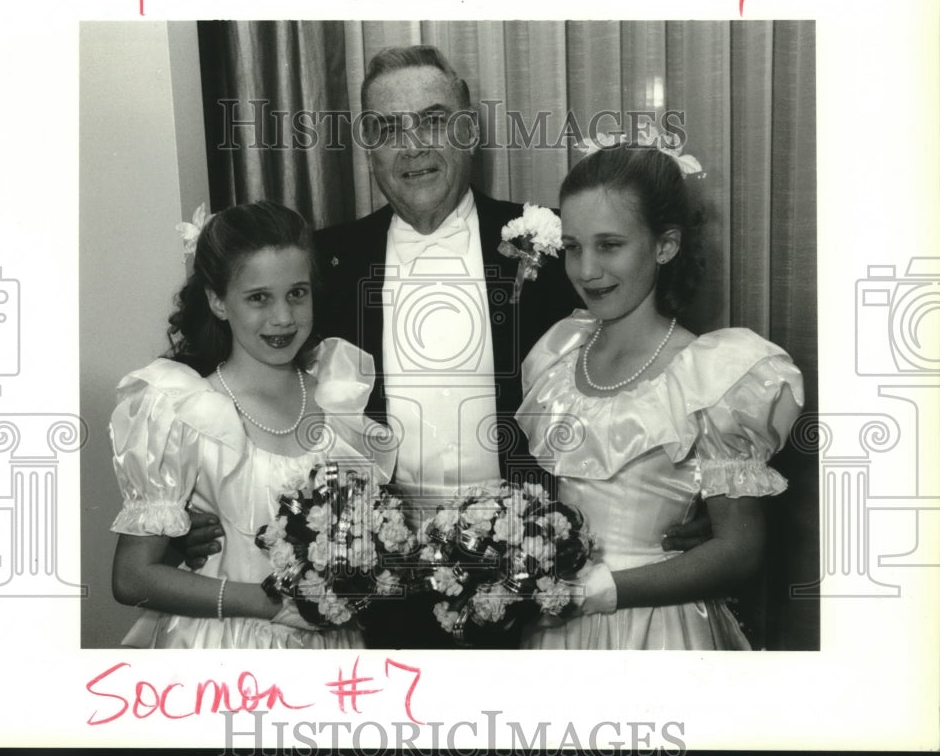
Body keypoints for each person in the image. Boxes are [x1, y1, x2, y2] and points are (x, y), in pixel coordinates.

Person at [181, 45, 711, 647]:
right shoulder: (322, 261)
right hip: (365, 583)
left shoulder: (557, 243)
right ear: (367, 147)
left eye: (433, 120)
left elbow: (655, 365)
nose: (413, 146)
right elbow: (225, 368)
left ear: (468, 129)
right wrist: (182, 509)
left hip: (529, 580)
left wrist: (691, 492)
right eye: (387, 129)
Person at [516, 142, 804, 649]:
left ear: (664, 246)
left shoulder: (713, 376)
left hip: (657, 630)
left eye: (610, 245)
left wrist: (605, 591)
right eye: (574, 247)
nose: (586, 270)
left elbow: (740, 551)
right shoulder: (556, 355)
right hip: (557, 634)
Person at [109, 200, 393, 648]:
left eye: (297, 293)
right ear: (218, 301)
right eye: (259, 297)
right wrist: (273, 603)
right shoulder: (183, 410)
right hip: (226, 651)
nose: (283, 317)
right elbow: (132, 578)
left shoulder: (340, 398)